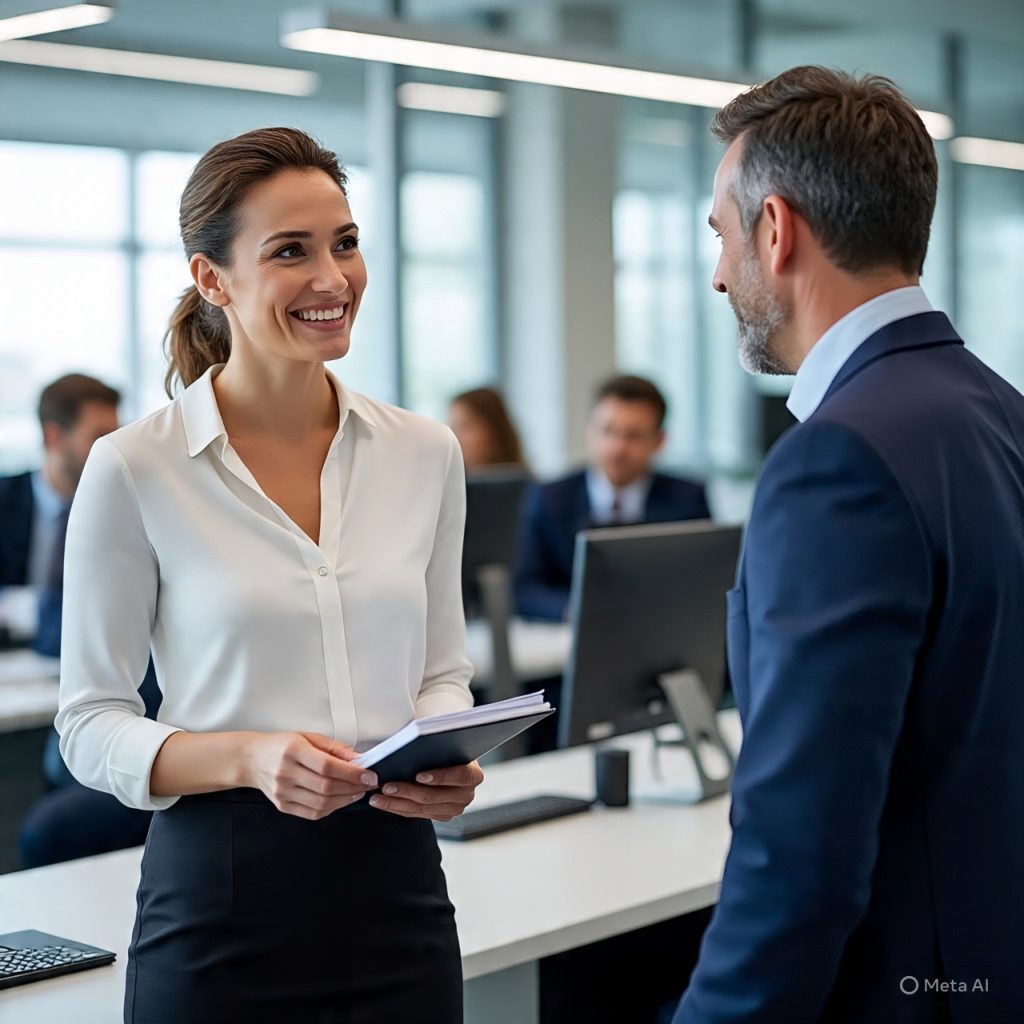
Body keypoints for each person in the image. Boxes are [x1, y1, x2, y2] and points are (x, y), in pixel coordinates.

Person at [56, 127, 483, 1024]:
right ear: (212, 279)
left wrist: (443, 746)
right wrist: (253, 756)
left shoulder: (424, 452)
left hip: (398, 892)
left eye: (346, 243)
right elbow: (90, 724)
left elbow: (442, 669)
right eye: (290, 251)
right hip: (221, 904)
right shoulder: (137, 466)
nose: (333, 279)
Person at [673, 67, 1024, 1024]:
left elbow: (800, 855)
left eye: (719, 233)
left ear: (775, 231)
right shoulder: (1001, 414)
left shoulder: (837, 459)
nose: (715, 273)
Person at [514, 374, 709, 622]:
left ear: (659, 441)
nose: (617, 448)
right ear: (590, 431)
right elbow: (525, 590)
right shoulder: (550, 497)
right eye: (607, 431)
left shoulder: (687, 499)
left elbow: (703, 581)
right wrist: (575, 610)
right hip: (566, 639)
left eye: (633, 435)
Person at [0, 374, 119, 648]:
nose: (114, 451)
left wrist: (24, 609)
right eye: (99, 438)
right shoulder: (5, 500)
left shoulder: (120, 512)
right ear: (53, 437)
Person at [448, 385, 528, 472]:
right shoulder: (446, 482)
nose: (457, 438)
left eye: (465, 427)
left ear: (495, 429)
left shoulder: (531, 484)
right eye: (453, 429)